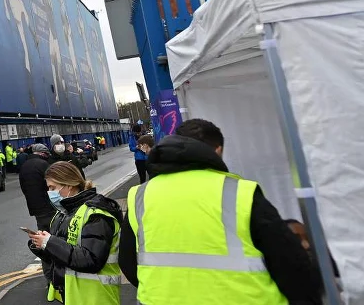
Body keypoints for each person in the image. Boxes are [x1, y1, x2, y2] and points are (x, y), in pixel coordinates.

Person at [118, 118, 320, 304]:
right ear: (218, 150)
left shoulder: (140, 196)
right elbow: (291, 264)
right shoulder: (238, 192)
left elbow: (127, 262)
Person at [27, 161, 123, 304]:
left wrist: (50, 243)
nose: (50, 193)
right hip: (72, 295)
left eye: (53, 187)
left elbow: (91, 260)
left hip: (96, 297)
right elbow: (63, 256)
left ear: (69, 185)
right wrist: (42, 246)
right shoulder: (62, 214)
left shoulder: (96, 215)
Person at [19, 143, 55, 232]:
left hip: (34, 206)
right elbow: (53, 183)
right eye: (47, 155)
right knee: (53, 228)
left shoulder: (24, 165)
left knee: (42, 228)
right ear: (42, 153)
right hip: (48, 204)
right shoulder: (43, 164)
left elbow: (23, 186)